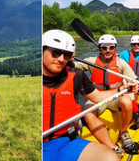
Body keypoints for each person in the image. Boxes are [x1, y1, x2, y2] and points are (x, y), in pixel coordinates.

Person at [43, 29, 120, 160]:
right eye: (55, 53)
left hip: (66, 142)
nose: (61, 59)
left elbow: (98, 97)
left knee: (110, 158)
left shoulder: (76, 76)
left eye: (66, 55)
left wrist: (122, 89)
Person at [75, 34, 139, 151]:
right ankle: (112, 147)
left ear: (115, 48)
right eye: (104, 48)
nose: (108, 51)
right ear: (100, 48)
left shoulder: (121, 63)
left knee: (127, 101)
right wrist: (68, 58)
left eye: (111, 47)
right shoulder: (92, 61)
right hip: (98, 97)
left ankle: (123, 132)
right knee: (87, 113)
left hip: (115, 97)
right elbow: (73, 65)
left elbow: (133, 79)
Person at [119, 35, 139, 128]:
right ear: (131, 45)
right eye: (134, 44)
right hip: (127, 80)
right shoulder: (124, 55)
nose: (136, 46)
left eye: (138, 44)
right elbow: (121, 72)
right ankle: (137, 114)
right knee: (130, 93)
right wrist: (126, 84)